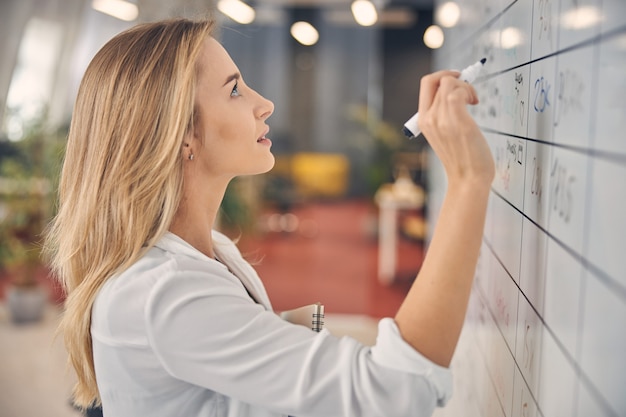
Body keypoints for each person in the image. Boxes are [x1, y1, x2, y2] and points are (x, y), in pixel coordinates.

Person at [44, 17, 494, 417]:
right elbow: (396, 392)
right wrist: (469, 181)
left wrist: (276, 328)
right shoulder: (165, 292)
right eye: (235, 90)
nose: (265, 104)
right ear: (183, 136)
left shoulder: (211, 250)